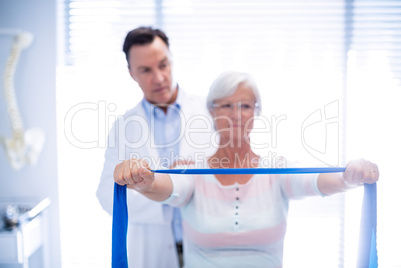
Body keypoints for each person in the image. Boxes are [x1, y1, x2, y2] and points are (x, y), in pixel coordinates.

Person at [113, 71, 380, 268]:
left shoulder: (276, 171)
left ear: (257, 112)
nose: (236, 114)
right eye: (226, 105)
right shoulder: (192, 170)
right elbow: (165, 187)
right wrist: (142, 180)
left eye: (245, 106)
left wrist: (350, 177)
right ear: (211, 111)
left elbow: (316, 181)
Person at [96, 26, 215, 268]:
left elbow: (235, 177)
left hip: (208, 244)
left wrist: (186, 183)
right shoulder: (124, 127)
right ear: (132, 74)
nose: (159, 78)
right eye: (146, 70)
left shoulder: (211, 112)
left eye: (163, 65)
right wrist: (156, 185)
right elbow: (107, 196)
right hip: (154, 251)